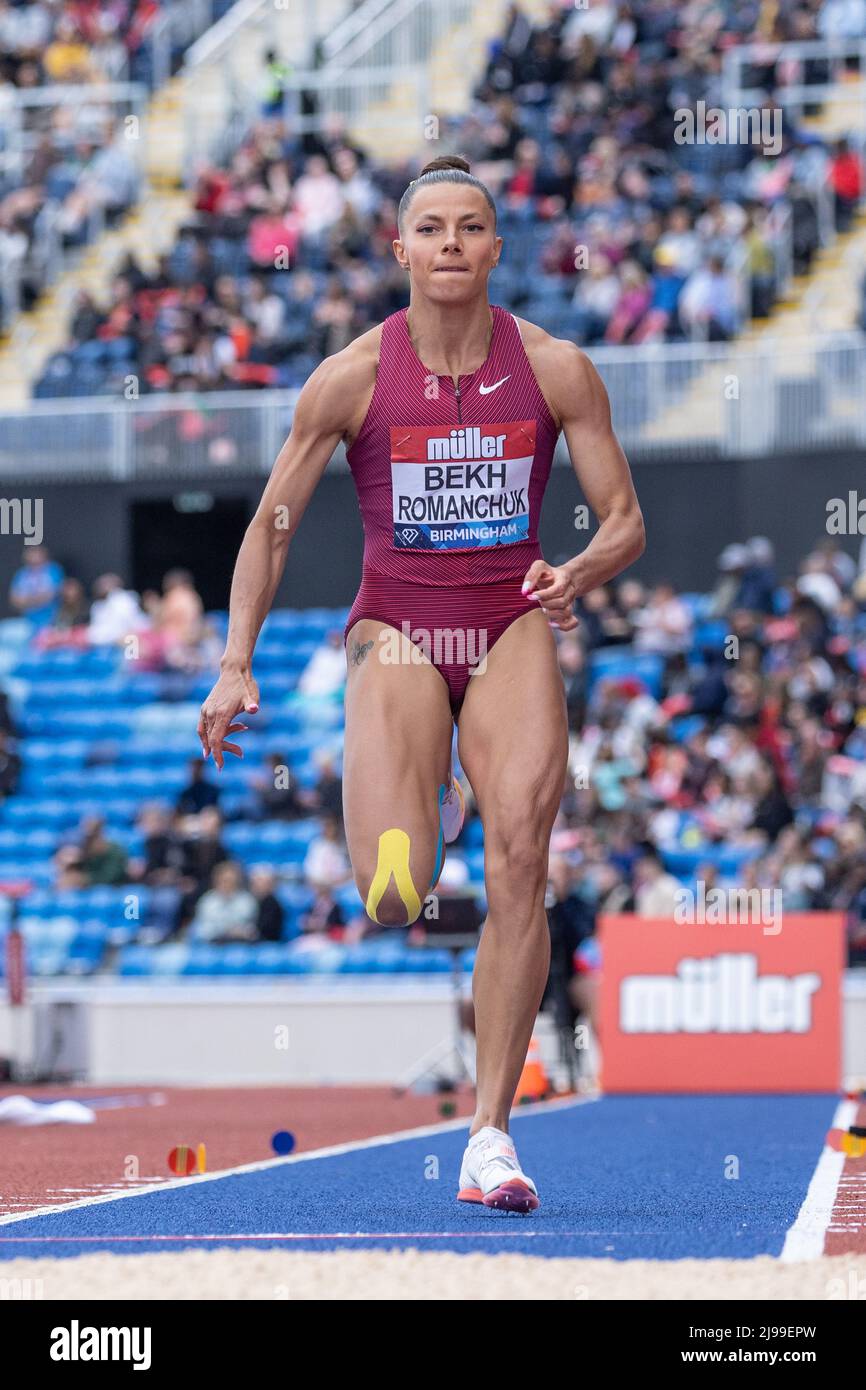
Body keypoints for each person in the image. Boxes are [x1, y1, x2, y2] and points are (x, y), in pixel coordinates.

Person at [198, 154, 644, 1214]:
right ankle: (425, 788)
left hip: (507, 623)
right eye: (431, 228)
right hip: (394, 629)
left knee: (522, 859)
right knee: (392, 897)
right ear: (400, 249)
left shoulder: (555, 367)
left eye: (470, 227)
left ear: (495, 248)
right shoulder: (351, 376)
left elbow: (623, 518)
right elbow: (271, 526)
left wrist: (575, 568)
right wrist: (232, 661)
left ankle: (488, 1133)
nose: (450, 244)